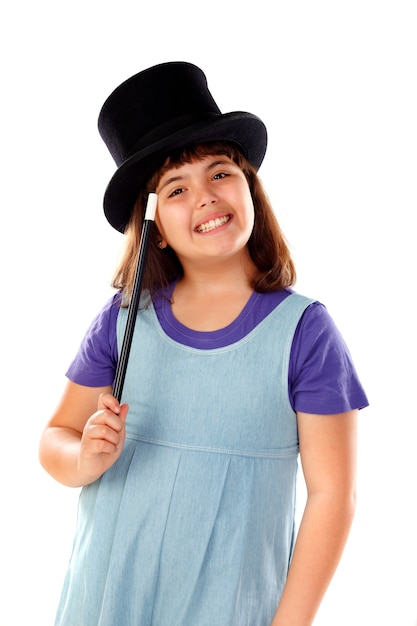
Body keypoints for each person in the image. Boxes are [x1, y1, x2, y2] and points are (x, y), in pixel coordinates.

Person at [39, 61, 368, 626]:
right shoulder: (122, 323)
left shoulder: (305, 332)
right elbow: (55, 440)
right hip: (104, 600)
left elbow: (332, 498)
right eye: (176, 188)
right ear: (155, 227)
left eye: (221, 173)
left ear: (250, 188)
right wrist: (85, 456)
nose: (206, 197)